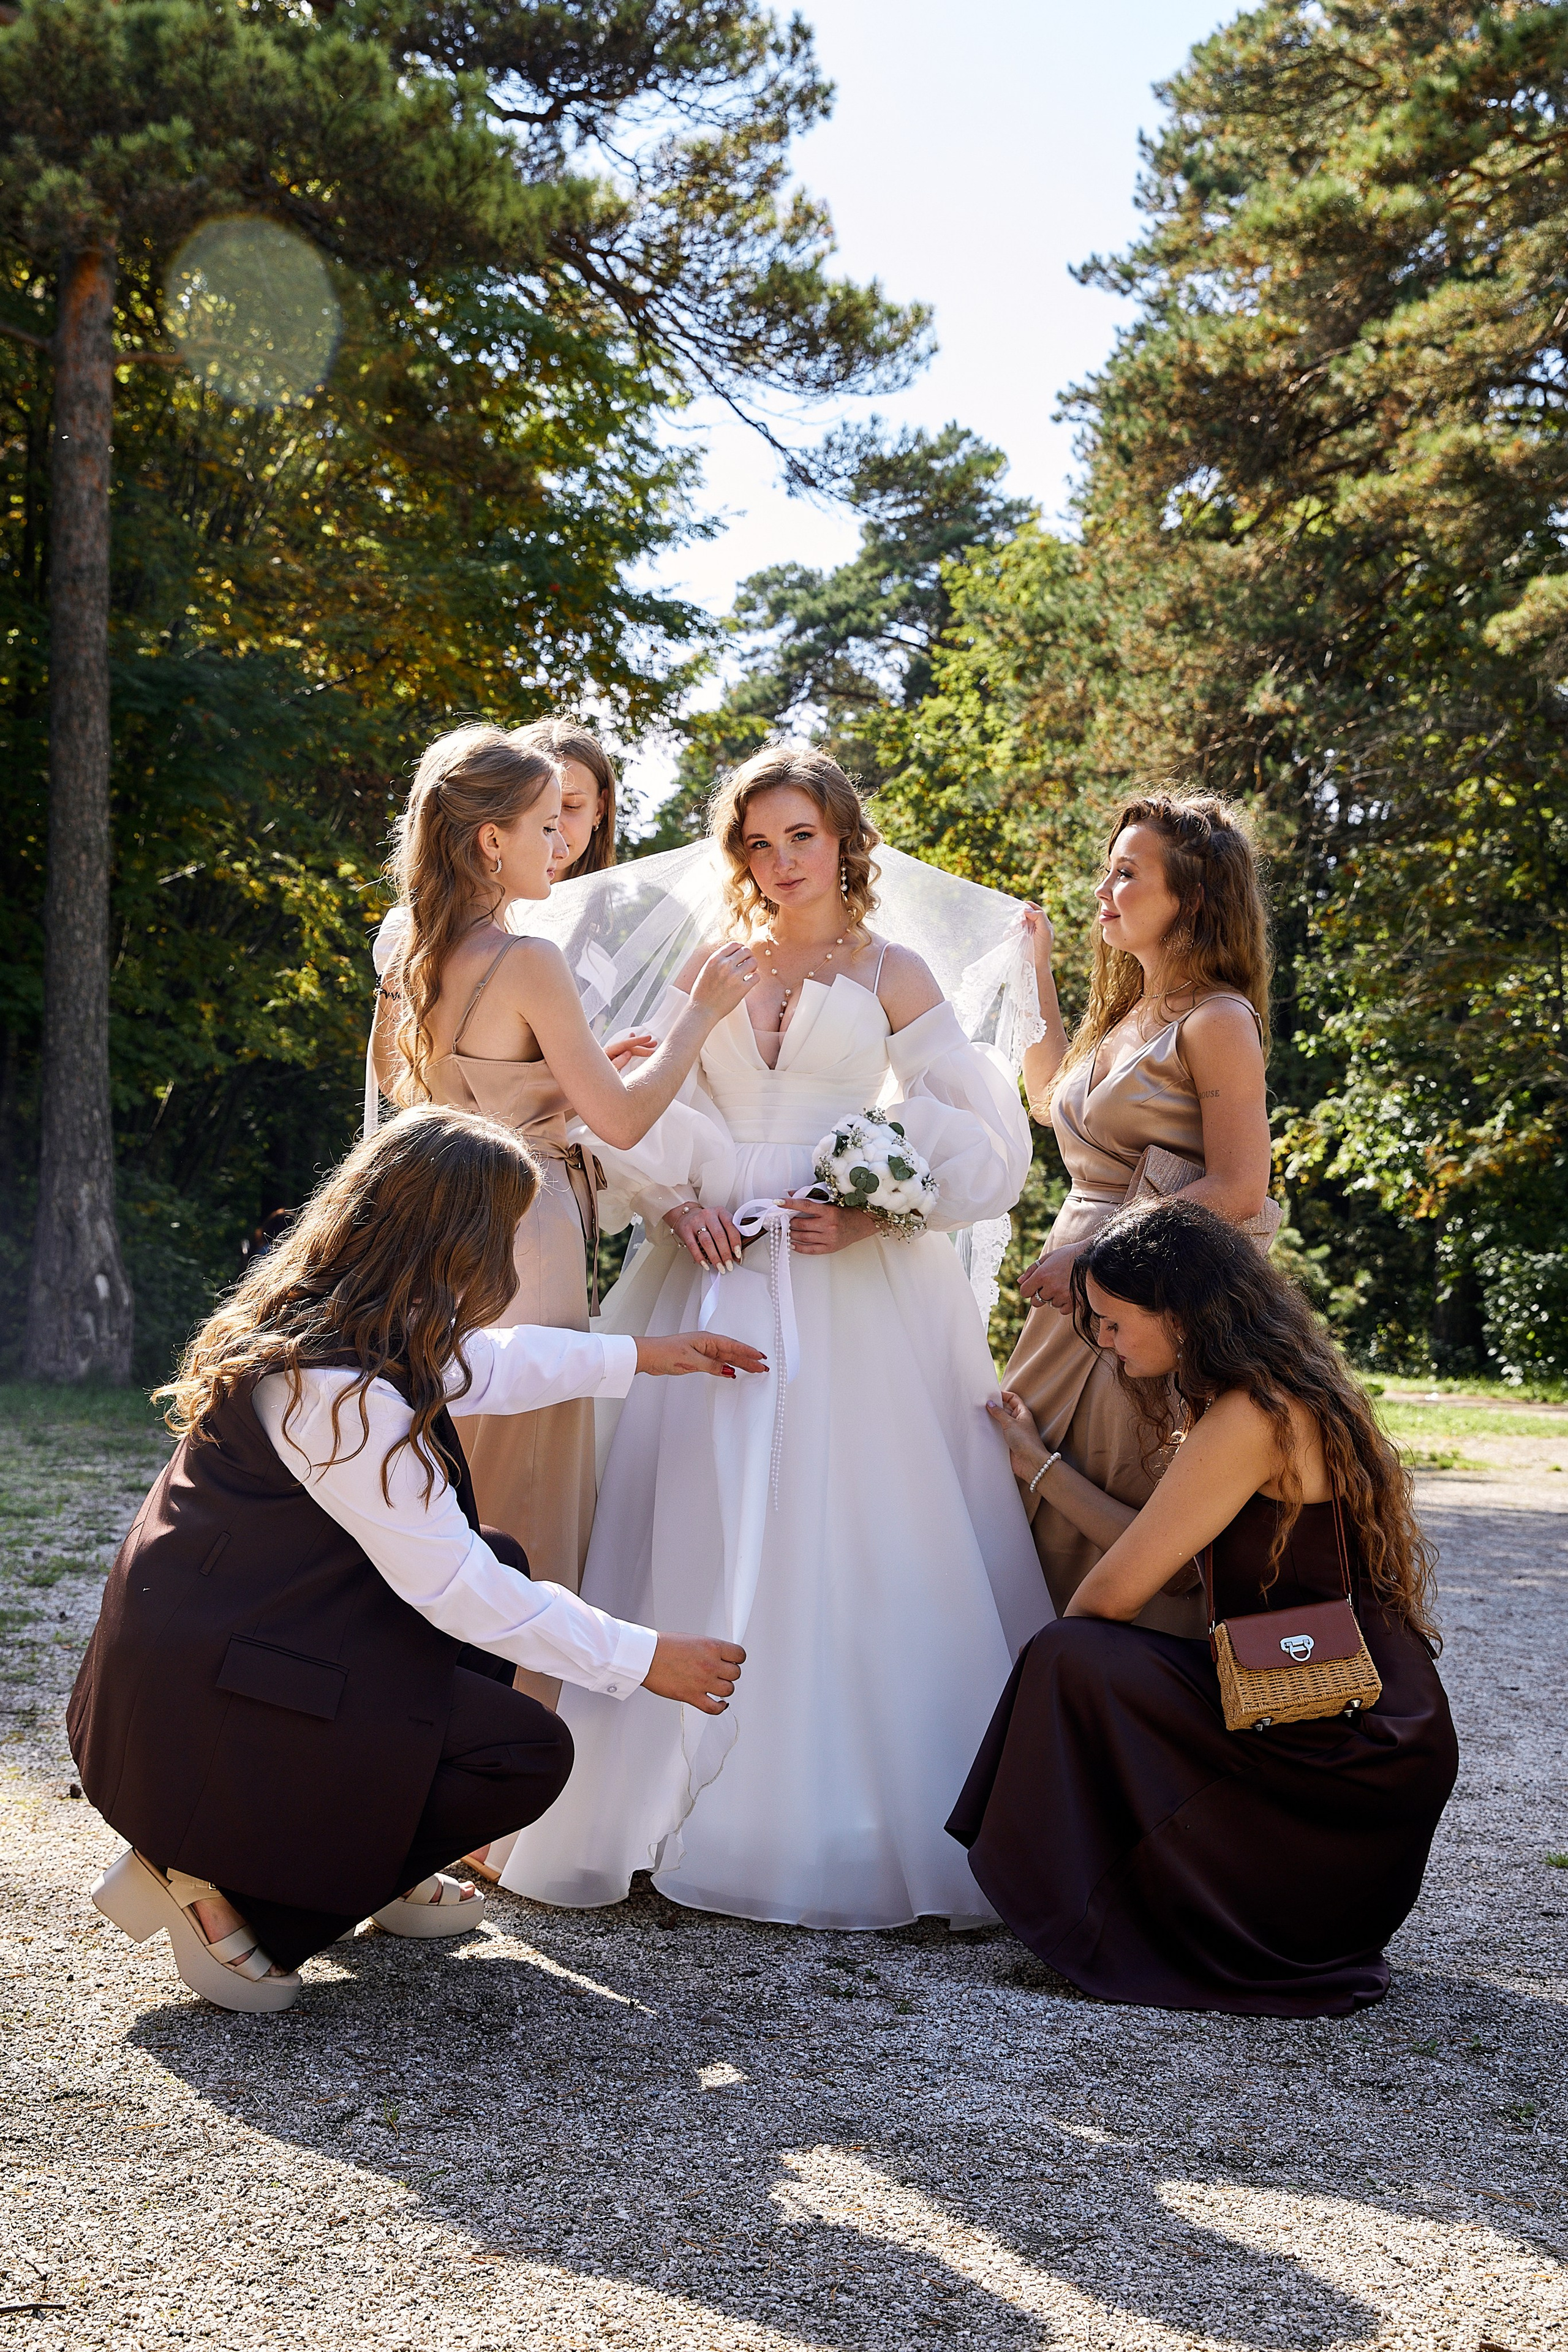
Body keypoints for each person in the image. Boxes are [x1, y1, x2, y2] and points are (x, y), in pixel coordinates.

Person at [502, 745, 1050, 1931]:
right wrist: (673, 1200)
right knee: (683, 1506)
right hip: (704, 1267)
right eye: (757, 842)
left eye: (799, 836)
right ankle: (642, 1805)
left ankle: (832, 1822)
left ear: (846, 840)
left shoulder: (893, 971)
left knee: (843, 1521)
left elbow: (985, 1140)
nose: (778, 860)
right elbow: (640, 1101)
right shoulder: (717, 964)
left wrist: (869, 1212)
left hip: (846, 1276)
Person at [69, 1106, 765, 2013]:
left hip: (228, 1636)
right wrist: (642, 1659)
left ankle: (366, 1852)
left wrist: (643, 1355)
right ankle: (222, 1881)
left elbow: (488, 1362)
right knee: (522, 1753)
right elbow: (454, 1590)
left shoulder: (349, 1314)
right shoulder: (335, 1391)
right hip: (210, 1690)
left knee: (504, 1551)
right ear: (457, 1240)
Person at [951, 1197, 1459, 2018]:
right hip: (1350, 1711)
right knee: (1094, 1660)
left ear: (1181, 1316)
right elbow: (1181, 1562)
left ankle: (1089, 1898)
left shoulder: (1250, 1416)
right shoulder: (1280, 1388)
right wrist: (1039, 1466)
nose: (1105, 1345)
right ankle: (1109, 1890)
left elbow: (1108, 1595)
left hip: (1338, 1740)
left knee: (1070, 1657)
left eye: (1115, 1324)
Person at [371, 723, 758, 1732]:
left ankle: (408, 1723)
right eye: (546, 825)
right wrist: (696, 1015)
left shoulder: (408, 948)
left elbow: (399, 1089)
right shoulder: (529, 959)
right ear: (490, 841)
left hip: (429, 1226)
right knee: (528, 1492)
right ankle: (508, 1766)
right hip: (522, 1228)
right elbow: (626, 1119)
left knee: (440, 1473)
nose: (562, 845)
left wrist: (551, 1073)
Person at [1003, 793, 1275, 1627]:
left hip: (1149, 1299)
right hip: (1070, 1293)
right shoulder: (1125, 1016)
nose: (1103, 889)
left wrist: (1095, 1264)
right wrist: (1035, 972)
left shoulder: (1219, 1019)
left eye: (1128, 873)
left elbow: (1239, 1188)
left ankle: (1126, 1714)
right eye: (1107, 870)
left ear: (1190, 899)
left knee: (1113, 1504)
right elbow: (1049, 1099)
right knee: (1015, 1489)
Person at [512, 717, 619, 878]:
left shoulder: (637, 902)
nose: (554, 825)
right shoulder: (463, 901)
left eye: (571, 806)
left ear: (599, 810)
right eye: (534, 805)